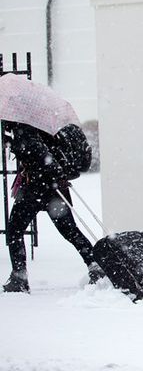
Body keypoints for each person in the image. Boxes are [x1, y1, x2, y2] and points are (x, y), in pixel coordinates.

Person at [2, 121, 104, 293]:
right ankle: (95, 265)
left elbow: (39, 154)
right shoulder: (41, 125)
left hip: (37, 187)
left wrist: (14, 144)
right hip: (53, 187)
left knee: (14, 231)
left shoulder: (24, 129)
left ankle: (19, 278)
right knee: (70, 231)